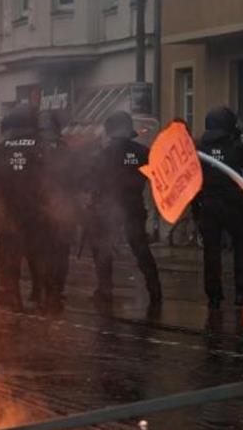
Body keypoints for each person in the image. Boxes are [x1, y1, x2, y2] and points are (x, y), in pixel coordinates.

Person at [87, 111, 162, 311]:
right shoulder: (142, 152)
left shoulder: (103, 153)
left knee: (103, 248)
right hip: (134, 205)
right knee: (141, 248)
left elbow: (92, 181)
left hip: (108, 208)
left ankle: (105, 290)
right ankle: (155, 291)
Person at [0, 103, 47, 312]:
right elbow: (53, 180)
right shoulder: (41, 148)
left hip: (10, 214)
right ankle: (42, 295)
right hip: (37, 213)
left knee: (8, 255)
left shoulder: (0, 152)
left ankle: (12, 294)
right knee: (37, 253)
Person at [194, 106, 243, 309]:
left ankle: (213, 295)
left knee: (211, 251)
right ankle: (240, 291)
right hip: (233, 204)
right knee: (242, 246)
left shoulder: (199, 147)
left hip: (208, 204)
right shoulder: (236, 146)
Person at [35, 109, 80, 312]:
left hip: (43, 211)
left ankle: (45, 289)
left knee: (43, 252)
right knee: (60, 254)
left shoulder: (35, 150)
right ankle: (56, 289)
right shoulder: (66, 151)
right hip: (64, 210)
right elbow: (78, 180)